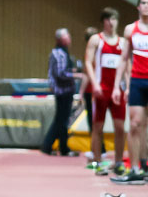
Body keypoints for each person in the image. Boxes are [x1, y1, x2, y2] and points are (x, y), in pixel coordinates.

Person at [83, 9, 127, 176]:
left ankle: (118, 162)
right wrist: (94, 84)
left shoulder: (123, 42)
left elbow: (127, 66)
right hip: (101, 89)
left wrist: (128, 86)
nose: (111, 22)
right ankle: (97, 161)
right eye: (108, 19)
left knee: (120, 127)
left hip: (117, 91)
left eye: (114, 19)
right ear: (103, 21)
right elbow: (88, 61)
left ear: (117, 21)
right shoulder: (96, 40)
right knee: (97, 126)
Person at [111, 0, 148, 186]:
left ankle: (145, 165)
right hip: (137, 81)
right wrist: (118, 86)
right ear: (138, 7)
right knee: (135, 124)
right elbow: (124, 58)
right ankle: (134, 170)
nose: (147, 6)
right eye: (143, 3)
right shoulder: (130, 30)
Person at [41, 28, 79, 156]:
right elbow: (60, 73)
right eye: (66, 36)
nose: (69, 38)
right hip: (62, 91)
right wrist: (77, 75)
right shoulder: (59, 53)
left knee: (62, 120)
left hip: (65, 90)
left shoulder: (64, 52)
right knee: (61, 120)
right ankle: (48, 146)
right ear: (60, 39)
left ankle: (62, 147)